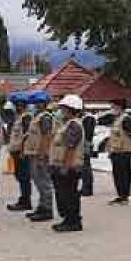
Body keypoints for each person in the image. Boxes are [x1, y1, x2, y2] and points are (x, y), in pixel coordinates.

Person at [49, 94, 87, 232]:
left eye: (64, 108)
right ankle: (68, 220)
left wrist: (65, 166)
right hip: (62, 165)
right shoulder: (67, 124)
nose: (61, 110)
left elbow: (70, 147)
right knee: (64, 195)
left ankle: (73, 222)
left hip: (70, 167)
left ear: (71, 109)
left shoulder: (74, 125)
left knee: (69, 195)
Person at [24, 91, 55, 222]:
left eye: (40, 102)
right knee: (38, 181)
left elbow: (46, 136)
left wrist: (42, 153)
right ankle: (41, 206)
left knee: (44, 182)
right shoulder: (38, 116)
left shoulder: (45, 117)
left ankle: (47, 209)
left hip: (40, 154)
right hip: (34, 152)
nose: (37, 105)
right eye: (36, 103)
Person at [5, 93, 34, 211]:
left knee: (24, 177)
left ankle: (26, 201)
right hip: (16, 151)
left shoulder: (26, 117)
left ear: (20, 105)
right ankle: (23, 199)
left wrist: (22, 150)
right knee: (20, 176)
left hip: (22, 152)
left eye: (16, 105)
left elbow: (26, 136)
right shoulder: (19, 117)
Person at [106, 99, 131, 205]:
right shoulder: (117, 119)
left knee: (124, 174)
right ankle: (120, 195)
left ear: (119, 107)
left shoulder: (126, 119)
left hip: (124, 151)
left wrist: (127, 146)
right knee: (117, 174)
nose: (112, 109)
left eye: (113, 107)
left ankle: (125, 196)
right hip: (115, 151)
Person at [80, 104, 97, 196]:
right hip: (85, 144)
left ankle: (87, 189)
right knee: (85, 167)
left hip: (85, 145)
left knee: (85, 168)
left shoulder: (88, 118)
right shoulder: (85, 118)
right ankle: (85, 187)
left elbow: (87, 134)